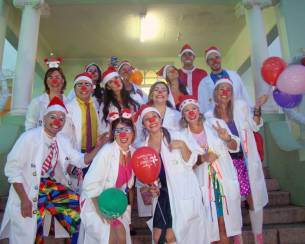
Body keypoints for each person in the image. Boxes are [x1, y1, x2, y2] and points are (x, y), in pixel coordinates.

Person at [0, 96, 102, 244]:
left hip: (49, 185)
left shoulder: (62, 140)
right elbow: (12, 170)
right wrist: (24, 199)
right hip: (28, 189)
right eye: (52, 117)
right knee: (31, 232)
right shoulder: (28, 137)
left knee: (79, 210)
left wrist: (99, 146)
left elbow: (80, 160)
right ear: (44, 118)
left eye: (61, 119)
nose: (57, 122)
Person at [137, 105, 208, 244]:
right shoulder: (143, 148)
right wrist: (151, 187)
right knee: (157, 238)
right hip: (162, 195)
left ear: (160, 119)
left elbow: (192, 161)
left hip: (182, 192)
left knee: (172, 237)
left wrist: (182, 146)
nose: (152, 121)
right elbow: (145, 180)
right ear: (143, 124)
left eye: (155, 117)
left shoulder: (177, 135)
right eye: (147, 119)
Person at [209, 78, 268, 244]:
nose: (225, 92)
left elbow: (255, 126)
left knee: (253, 199)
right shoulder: (208, 116)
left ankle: (258, 237)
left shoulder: (241, 107)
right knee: (232, 200)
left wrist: (257, 107)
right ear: (215, 93)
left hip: (245, 160)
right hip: (226, 163)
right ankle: (238, 238)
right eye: (221, 89)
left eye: (228, 89)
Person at [179, 95, 243, 243]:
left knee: (223, 226)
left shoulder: (216, 124)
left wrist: (227, 138)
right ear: (183, 115)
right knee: (207, 230)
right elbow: (186, 165)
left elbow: (235, 147)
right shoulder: (182, 137)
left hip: (222, 184)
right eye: (187, 110)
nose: (191, 112)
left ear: (199, 110)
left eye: (193, 108)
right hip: (201, 187)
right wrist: (203, 159)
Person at [80, 109, 135, 244]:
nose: (123, 134)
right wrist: (102, 211)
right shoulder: (106, 152)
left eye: (126, 129)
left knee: (122, 239)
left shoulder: (133, 153)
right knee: (109, 239)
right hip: (96, 202)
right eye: (118, 130)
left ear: (133, 132)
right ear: (114, 134)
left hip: (116, 205)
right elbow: (89, 185)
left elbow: (129, 187)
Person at [198, 46, 268, 114]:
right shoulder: (203, 83)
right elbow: (203, 106)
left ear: (220, 59)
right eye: (211, 59)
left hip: (238, 114)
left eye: (217, 57)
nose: (215, 61)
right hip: (218, 117)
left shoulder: (234, 75)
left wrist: (252, 110)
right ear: (207, 63)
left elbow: (244, 94)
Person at [63, 72, 103, 181]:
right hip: (77, 155)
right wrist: (70, 161)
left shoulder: (96, 104)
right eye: (79, 85)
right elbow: (64, 137)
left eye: (87, 84)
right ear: (75, 89)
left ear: (92, 89)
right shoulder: (68, 108)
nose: (83, 87)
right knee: (78, 189)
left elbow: (99, 127)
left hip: (95, 154)